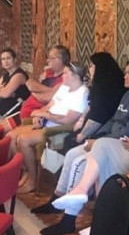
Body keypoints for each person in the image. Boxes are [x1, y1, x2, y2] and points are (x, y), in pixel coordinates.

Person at [38, 58, 129, 235]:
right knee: (73, 153)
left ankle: (70, 219)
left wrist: (106, 141)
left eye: (128, 72)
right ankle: (58, 198)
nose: (124, 76)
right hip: (118, 141)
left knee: (81, 162)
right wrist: (98, 136)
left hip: (128, 145)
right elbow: (114, 120)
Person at [10, 62, 89, 194]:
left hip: (60, 129)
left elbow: (67, 119)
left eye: (65, 73)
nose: (62, 75)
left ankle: (33, 180)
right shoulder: (64, 87)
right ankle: (27, 172)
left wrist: (42, 114)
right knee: (12, 136)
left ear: (75, 76)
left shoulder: (82, 93)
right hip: (46, 122)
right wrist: (38, 115)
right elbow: (49, 105)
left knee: (23, 140)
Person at [64, 52, 127, 150]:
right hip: (91, 126)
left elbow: (99, 117)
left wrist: (82, 134)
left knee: (71, 143)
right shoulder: (100, 84)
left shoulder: (106, 89)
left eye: (92, 66)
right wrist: (80, 121)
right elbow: (91, 105)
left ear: (100, 68)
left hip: (102, 130)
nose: (90, 69)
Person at [6, 45, 70, 131]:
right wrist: (49, 91)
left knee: (9, 138)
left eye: (51, 58)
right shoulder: (48, 72)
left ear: (61, 59)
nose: (48, 60)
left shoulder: (64, 79)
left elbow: (48, 98)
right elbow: (30, 82)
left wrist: (34, 91)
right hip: (23, 113)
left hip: (35, 118)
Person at [0, 48, 30, 128]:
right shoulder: (5, 76)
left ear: (15, 59)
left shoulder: (19, 75)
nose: (6, 61)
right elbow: (5, 93)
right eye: (3, 59)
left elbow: (5, 94)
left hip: (14, 112)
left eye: (8, 58)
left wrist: (3, 90)